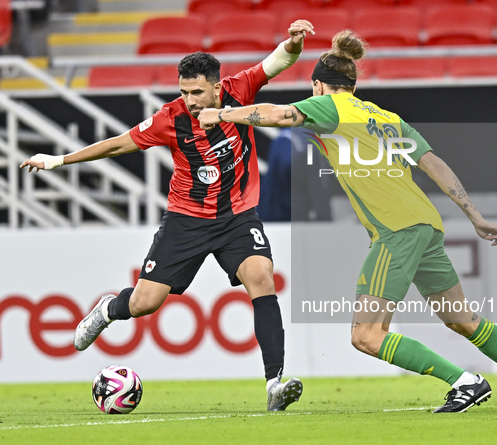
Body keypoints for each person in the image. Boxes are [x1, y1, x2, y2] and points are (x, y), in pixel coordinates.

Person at [197, 30, 497, 413]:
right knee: (462, 318)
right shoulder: (387, 117)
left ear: (319, 85)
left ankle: (465, 381)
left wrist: (221, 113)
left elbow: (279, 114)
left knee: (367, 335)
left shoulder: (332, 107)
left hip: (396, 230)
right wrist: (474, 214)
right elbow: (433, 164)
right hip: (426, 223)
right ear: (353, 85)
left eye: (314, 89)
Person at [19, 19, 316, 412]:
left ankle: (274, 383)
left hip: (236, 217)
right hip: (186, 220)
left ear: (216, 86)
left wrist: (293, 43)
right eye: (184, 91)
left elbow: (278, 61)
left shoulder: (238, 90)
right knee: (144, 303)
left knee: (261, 277)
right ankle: (109, 309)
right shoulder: (170, 118)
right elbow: (117, 145)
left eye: (197, 91)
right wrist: (59, 160)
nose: (191, 100)